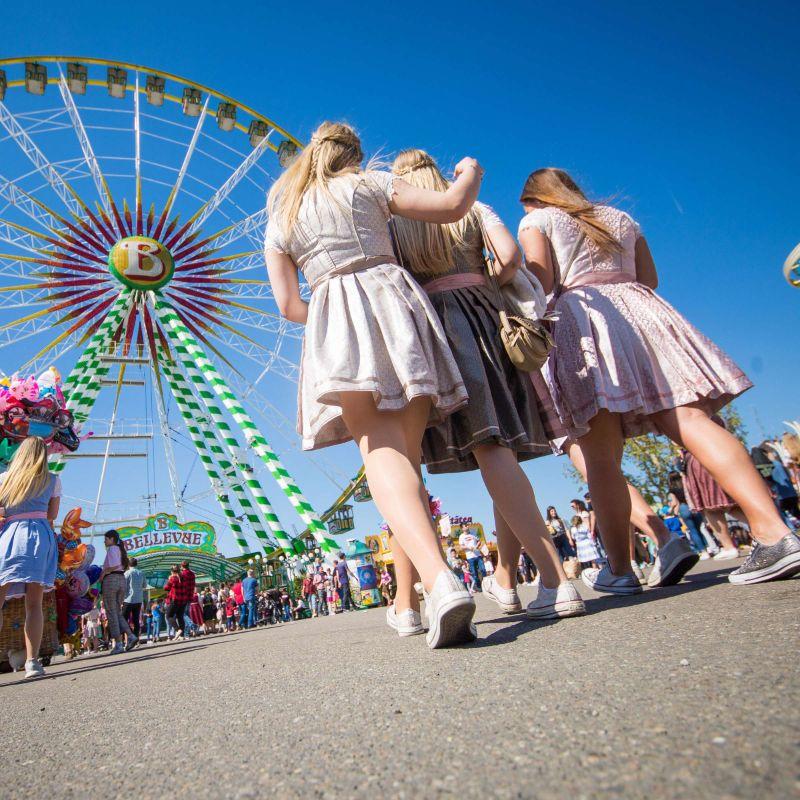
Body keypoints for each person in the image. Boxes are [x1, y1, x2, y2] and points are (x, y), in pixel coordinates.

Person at [517, 167, 800, 589]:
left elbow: (540, 284)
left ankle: (619, 570)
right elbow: (648, 278)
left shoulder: (536, 220)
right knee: (689, 419)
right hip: (644, 310)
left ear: (535, 199)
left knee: (600, 454)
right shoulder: (621, 219)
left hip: (585, 318)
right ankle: (775, 532)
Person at [265, 122, 484, 648]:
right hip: (394, 301)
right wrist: (470, 171)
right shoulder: (370, 185)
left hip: (334, 314)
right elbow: (454, 205)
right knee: (403, 464)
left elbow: (289, 306)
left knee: (382, 463)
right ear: (355, 154)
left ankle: (437, 583)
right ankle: (410, 603)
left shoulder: (282, 217)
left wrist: (332, 311)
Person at [388, 149, 584, 628]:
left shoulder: (397, 221)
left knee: (421, 461)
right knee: (501, 449)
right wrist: (482, 282)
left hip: (433, 329)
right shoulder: (472, 208)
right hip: (487, 318)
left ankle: (554, 581)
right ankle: (515, 579)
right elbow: (512, 256)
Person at [0, 437, 61, 679]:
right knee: (34, 604)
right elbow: (52, 514)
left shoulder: (5, 479)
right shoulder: (52, 480)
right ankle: (32, 662)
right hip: (38, 537)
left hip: (9, 538)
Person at [99, 530, 137, 653]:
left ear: (111, 539)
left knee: (111, 612)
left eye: (106, 539)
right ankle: (130, 636)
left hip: (111, 580)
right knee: (117, 612)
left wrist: (104, 572)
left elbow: (114, 565)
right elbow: (121, 565)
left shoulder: (111, 549)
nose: (104, 541)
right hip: (121, 579)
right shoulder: (121, 549)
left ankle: (118, 643)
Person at [123, 556, 147, 641]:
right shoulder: (141, 573)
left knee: (123, 619)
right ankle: (135, 637)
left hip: (128, 599)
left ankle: (130, 635)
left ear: (128, 564)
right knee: (136, 620)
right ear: (136, 564)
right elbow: (144, 586)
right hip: (138, 599)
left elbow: (123, 586)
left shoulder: (127, 573)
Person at [164, 564, 190, 641]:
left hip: (175, 600)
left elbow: (166, 588)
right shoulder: (184, 578)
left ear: (172, 571)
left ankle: (178, 629)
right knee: (180, 617)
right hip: (183, 600)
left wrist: (169, 579)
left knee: (168, 616)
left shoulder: (172, 578)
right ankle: (181, 636)